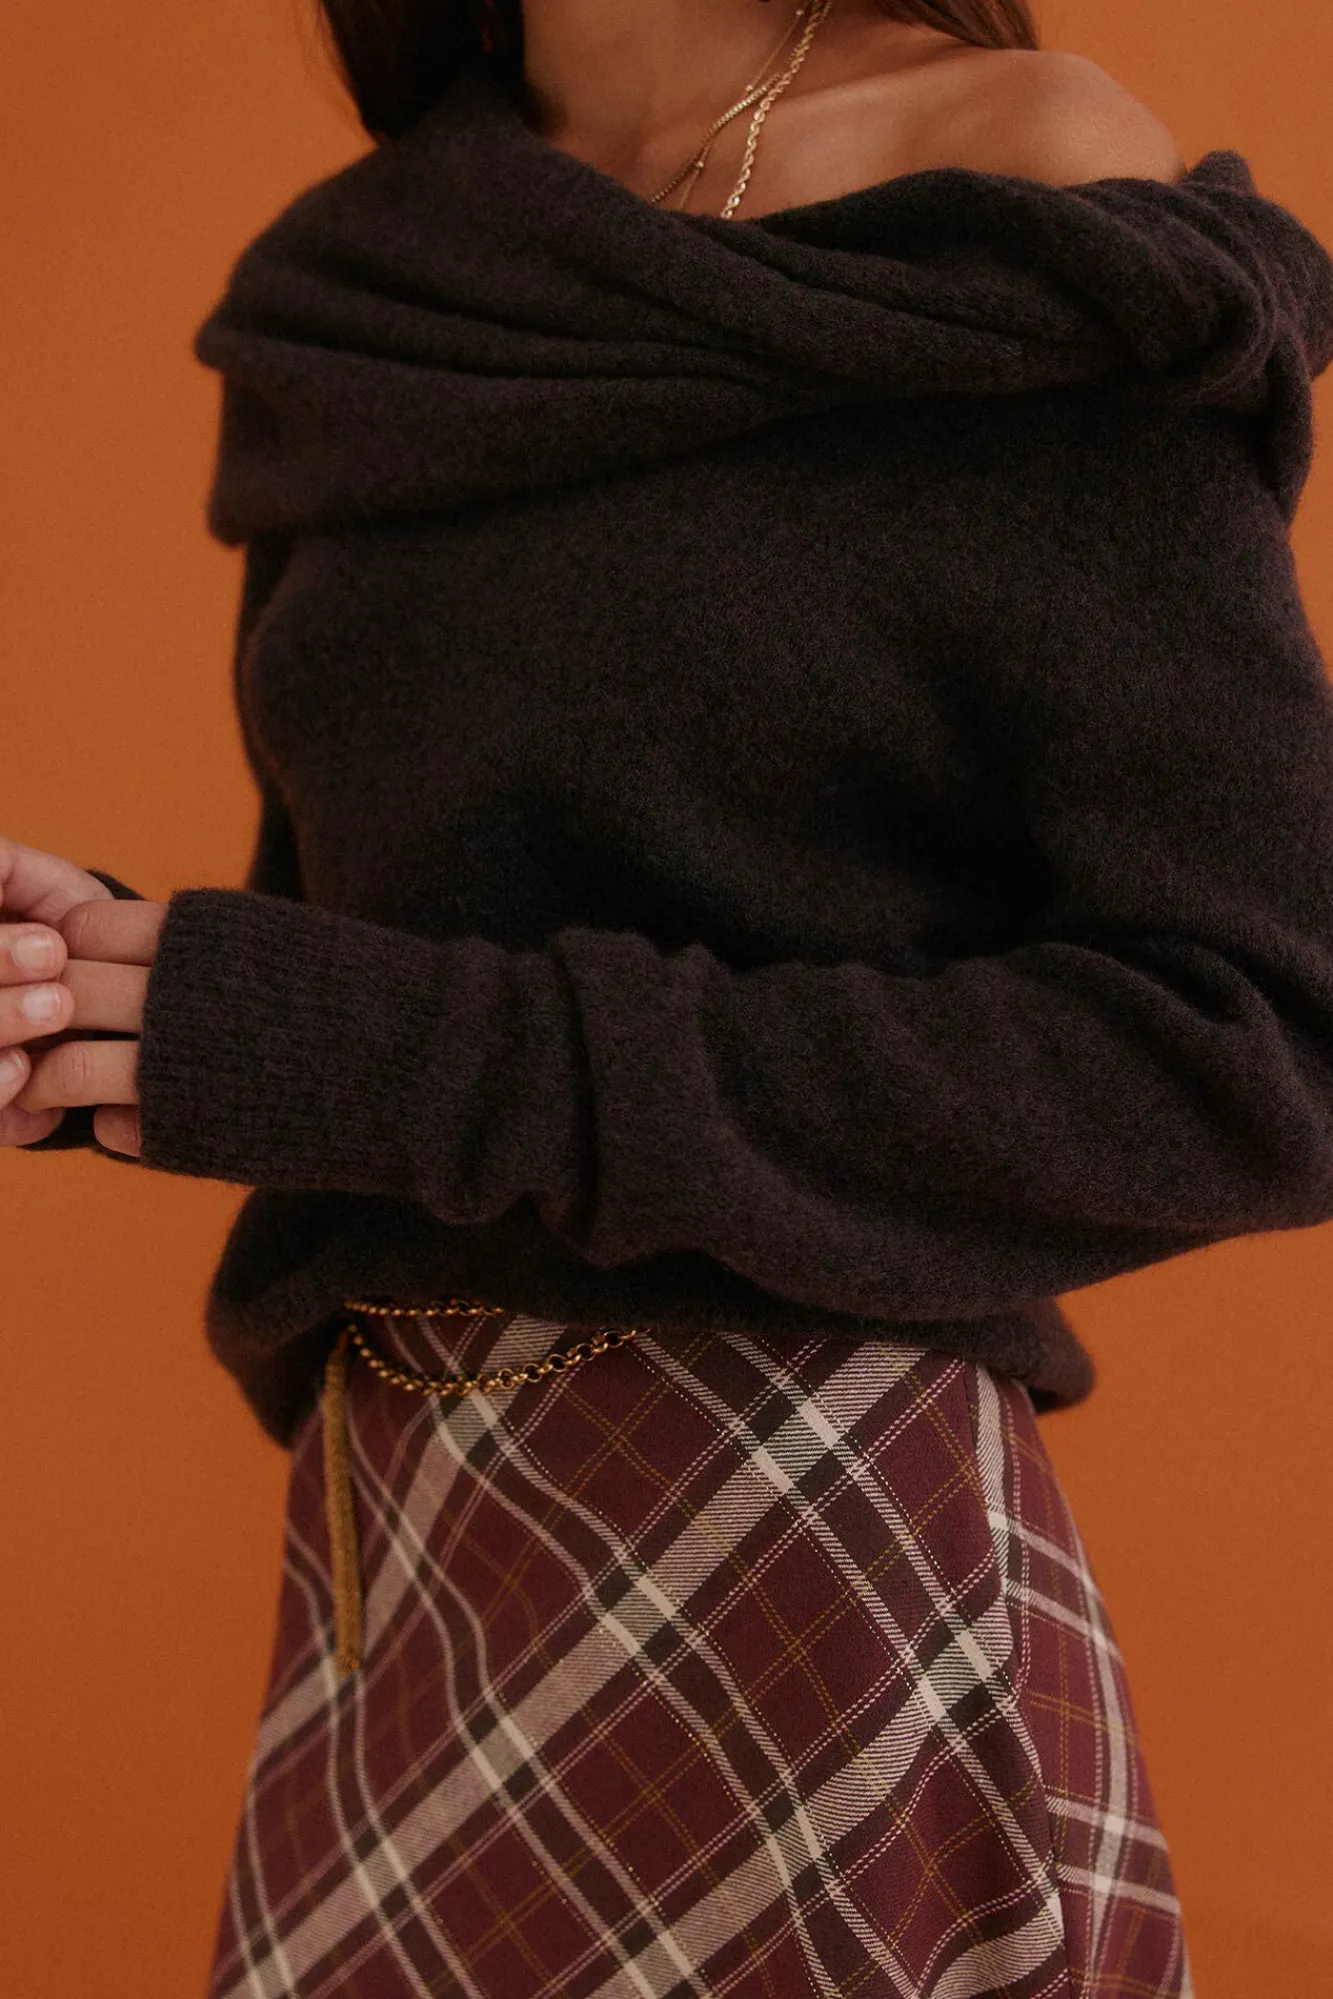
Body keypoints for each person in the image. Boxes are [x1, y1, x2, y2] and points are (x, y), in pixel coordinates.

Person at [7, 1, 1333, 1990]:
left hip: (812, 1546)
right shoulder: (383, 280)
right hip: (412, 1552)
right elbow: (394, 1004)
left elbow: (1264, 1044)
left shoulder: (1019, 182)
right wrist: (117, 1006)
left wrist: (381, 1053)